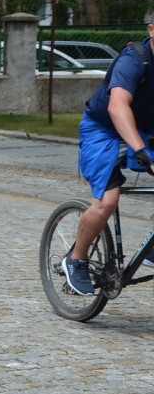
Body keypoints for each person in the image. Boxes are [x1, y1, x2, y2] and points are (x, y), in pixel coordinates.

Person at [62, 25, 154, 296]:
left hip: (145, 129)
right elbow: (117, 106)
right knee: (106, 202)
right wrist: (143, 151)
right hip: (102, 127)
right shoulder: (134, 59)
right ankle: (76, 259)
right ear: (151, 29)